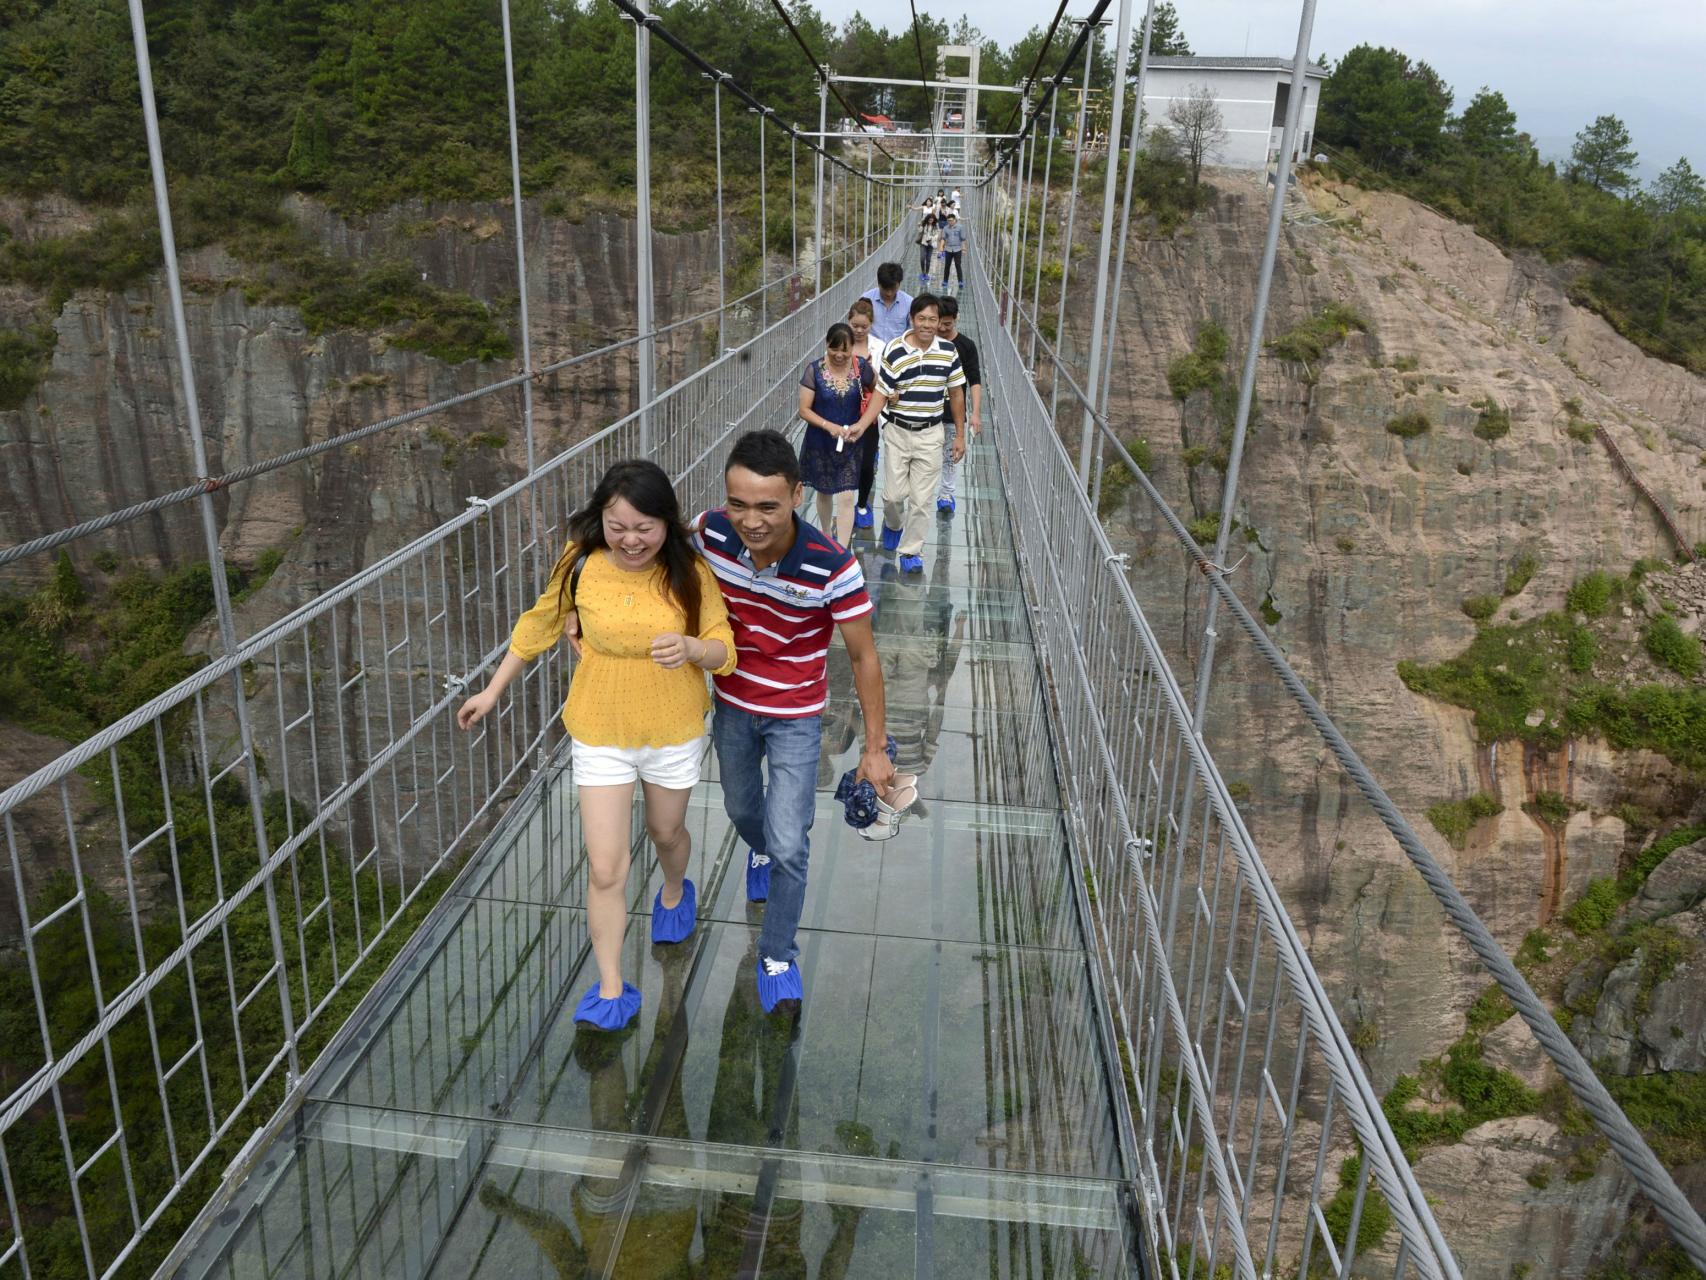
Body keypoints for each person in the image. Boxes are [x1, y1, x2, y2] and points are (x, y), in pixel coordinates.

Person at [457, 460, 736, 1030]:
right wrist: (491, 691)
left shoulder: (691, 571)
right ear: (600, 521)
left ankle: (676, 889)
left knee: (666, 832)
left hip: (672, 724)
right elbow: (542, 620)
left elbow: (722, 646)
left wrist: (691, 649)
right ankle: (611, 987)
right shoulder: (580, 561)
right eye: (618, 526)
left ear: (667, 522)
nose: (631, 540)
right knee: (606, 867)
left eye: (645, 527)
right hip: (599, 725)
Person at [694, 430, 893, 1014]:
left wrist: (874, 748)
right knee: (740, 810)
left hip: (796, 716)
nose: (750, 521)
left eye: (767, 506)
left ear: (798, 496)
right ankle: (764, 848)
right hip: (732, 701)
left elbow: (864, 657)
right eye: (738, 504)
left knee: (789, 842)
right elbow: (641, 543)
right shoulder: (711, 532)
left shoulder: (833, 567)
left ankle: (777, 953)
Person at [850, 293, 966, 574]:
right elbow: (881, 392)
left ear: (939, 323)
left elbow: (956, 393)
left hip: (930, 434)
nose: (927, 324)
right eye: (922, 319)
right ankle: (892, 524)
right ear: (912, 320)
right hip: (898, 432)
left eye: (932, 320)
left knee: (922, 501)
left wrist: (960, 435)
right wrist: (863, 425)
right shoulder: (894, 349)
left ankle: (911, 551)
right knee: (892, 497)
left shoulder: (949, 352)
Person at [796, 322, 875, 544]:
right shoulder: (814, 370)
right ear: (826, 345)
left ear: (852, 348)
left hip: (851, 441)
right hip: (821, 440)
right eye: (834, 349)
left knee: (848, 494)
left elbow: (879, 390)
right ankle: (825, 533)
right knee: (824, 491)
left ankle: (841, 547)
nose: (839, 355)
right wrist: (828, 425)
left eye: (845, 350)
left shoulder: (862, 368)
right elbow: (803, 410)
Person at [935, 294, 981, 514]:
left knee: (951, 455)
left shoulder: (966, 346)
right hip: (928, 412)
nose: (942, 329)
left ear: (956, 319)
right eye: (939, 323)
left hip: (954, 412)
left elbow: (975, 380)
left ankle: (946, 494)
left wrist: (975, 414)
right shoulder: (927, 343)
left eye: (947, 324)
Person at [846, 298, 882, 532]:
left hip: (869, 415)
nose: (858, 331)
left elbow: (884, 383)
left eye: (863, 326)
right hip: (842, 414)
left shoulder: (881, 347)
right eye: (854, 325)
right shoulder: (838, 344)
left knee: (867, 463)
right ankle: (846, 505)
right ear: (848, 322)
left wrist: (869, 370)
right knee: (845, 463)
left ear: (871, 324)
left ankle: (862, 505)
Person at [859, 262, 912, 345]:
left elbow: (911, 330)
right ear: (878, 284)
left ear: (899, 283)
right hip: (872, 350)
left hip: (897, 350)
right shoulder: (866, 299)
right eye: (885, 289)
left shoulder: (909, 303)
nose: (889, 293)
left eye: (893, 288)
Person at [938, 212, 965, 293]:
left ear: (955, 220)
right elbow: (943, 238)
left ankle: (960, 281)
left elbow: (963, 239)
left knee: (958, 265)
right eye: (948, 221)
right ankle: (945, 281)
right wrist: (941, 247)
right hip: (948, 249)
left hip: (957, 249)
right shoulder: (945, 228)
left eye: (951, 220)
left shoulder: (960, 227)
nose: (950, 222)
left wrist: (964, 249)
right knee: (947, 265)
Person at [915, 211, 938, 290]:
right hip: (923, 243)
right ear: (927, 219)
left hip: (931, 244)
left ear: (933, 220)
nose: (931, 220)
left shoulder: (935, 226)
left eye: (932, 219)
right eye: (929, 219)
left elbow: (937, 235)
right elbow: (920, 231)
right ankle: (922, 272)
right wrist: (920, 226)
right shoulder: (924, 225)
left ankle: (926, 273)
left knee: (928, 259)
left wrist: (932, 239)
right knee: (922, 258)